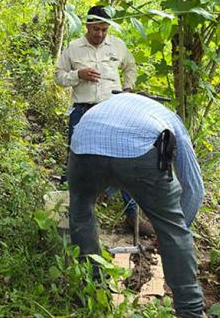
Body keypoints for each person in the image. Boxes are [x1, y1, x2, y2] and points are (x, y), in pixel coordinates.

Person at [68, 92, 205, 317]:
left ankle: (90, 293)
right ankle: (190, 311)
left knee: (81, 212)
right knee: (173, 230)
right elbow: (194, 189)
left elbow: (108, 165)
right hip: (139, 152)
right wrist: (174, 233)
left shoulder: (105, 106)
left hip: (85, 145)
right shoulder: (168, 118)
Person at [54, 5, 139, 229]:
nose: (100, 34)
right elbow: (59, 77)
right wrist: (77, 75)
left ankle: (131, 215)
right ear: (88, 26)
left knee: (123, 158)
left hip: (113, 110)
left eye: (104, 30)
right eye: (96, 30)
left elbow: (131, 67)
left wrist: (128, 89)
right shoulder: (73, 49)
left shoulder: (118, 46)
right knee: (76, 160)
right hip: (83, 111)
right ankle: (70, 214)